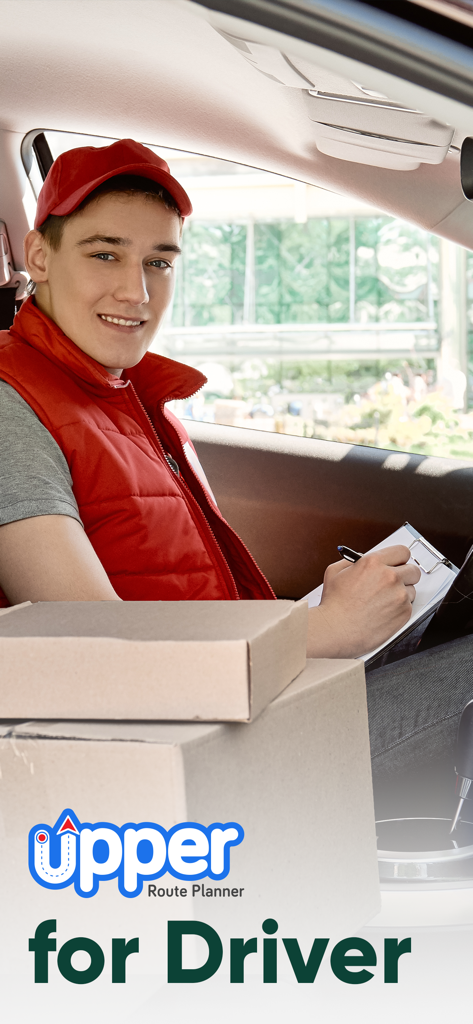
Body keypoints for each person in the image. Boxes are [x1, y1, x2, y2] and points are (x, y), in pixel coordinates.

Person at [0, 138, 469, 777]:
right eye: (105, 254)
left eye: (159, 262)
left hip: (235, 709)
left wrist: (311, 615)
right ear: (38, 256)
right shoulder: (13, 407)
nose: (136, 291)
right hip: (179, 768)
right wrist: (324, 633)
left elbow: (183, 598)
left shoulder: (127, 398)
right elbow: (94, 656)